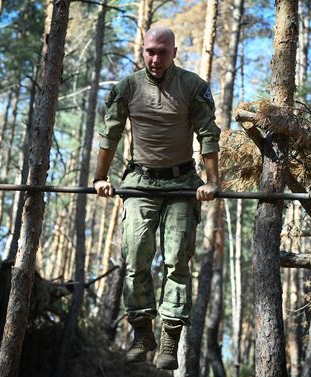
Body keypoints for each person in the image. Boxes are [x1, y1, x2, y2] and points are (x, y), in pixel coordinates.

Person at [93, 26, 220, 370]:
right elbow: (110, 133)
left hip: (181, 183)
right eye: (150, 51)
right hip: (140, 181)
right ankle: (141, 332)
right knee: (135, 255)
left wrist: (212, 182)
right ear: (143, 51)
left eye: (163, 52)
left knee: (177, 257)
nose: (155, 58)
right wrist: (100, 178)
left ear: (174, 53)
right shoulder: (127, 88)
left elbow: (208, 133)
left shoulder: (192, 86)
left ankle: (169, 339)